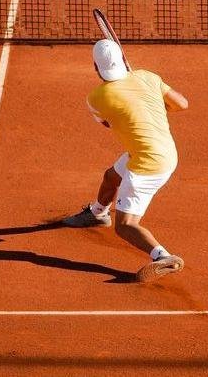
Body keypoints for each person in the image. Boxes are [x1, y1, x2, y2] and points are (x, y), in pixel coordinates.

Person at [62, 39, 189, 282]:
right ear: (122, 59)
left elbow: (109, 123)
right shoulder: (147, 77)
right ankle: (98, 213)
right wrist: (150, 101)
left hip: (148, 163)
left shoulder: (97, 97)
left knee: (125, 225)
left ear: (95, 68)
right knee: (111, 177)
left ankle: (162, 256)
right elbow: (182, 104)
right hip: (164, 151)